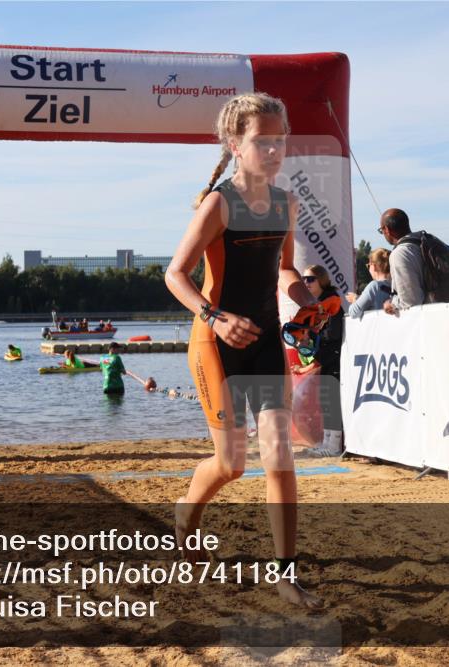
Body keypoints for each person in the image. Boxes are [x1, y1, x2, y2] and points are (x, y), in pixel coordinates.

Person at [164, 92, 324, 608]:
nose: (274, 151)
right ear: (236, 144)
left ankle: (285, 573)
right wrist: (215, 317)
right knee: (232, 464)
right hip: (215, 343)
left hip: (266, 343)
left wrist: (309, 301)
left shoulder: (286, 204)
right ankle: (186, 512)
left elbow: (284, 270)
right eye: (263, 142)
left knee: (280, 456)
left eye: (280, 142)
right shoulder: (220, 204)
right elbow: (175, 274)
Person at [294, 265, 344, 457]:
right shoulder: (319, 304)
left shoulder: (331, 303)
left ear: (322, 280)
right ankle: (328, 443)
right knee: (326, 402)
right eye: (304, 279)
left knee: (331, 402)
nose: (306, 283)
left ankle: (333, 446)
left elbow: (333, 336)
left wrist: (312, 345)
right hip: (327, 358)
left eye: (310, 279)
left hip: (334, 359)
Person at [378, 208, 426, 314]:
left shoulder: (399, 254)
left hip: (427, 320)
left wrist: (392, 304)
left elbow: (411, 301)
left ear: (386, 229)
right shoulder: (425, 241)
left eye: (381, 231)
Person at [346, 248, 391, 318]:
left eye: (368, 266)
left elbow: (353, 312)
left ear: (374, 267)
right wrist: (359, 299)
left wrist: (355, 300)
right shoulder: (396, 285)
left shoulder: (374, 286)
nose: (368, 269)